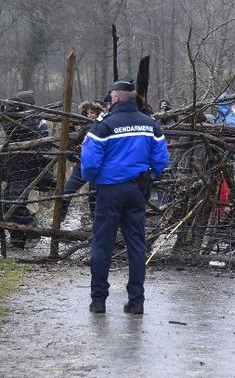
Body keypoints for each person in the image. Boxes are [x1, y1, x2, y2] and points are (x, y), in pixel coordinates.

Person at [81, 77, 169, 314]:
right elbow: (161, 159)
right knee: (137, 246)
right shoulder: (149, 123)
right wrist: (151, 176)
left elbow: (89, 163)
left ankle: (98, 301)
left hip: (109, 190)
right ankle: (137, 301)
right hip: (137, 191)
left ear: (116, 97)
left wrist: (97, 178)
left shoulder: (104, 125)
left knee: (102, 246)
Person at [0, 90, 53, 249]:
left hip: (28, 167)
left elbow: (11, 129)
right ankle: (17, 240)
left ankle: (33, 229)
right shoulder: (26, 119)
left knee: (15, 202)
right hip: (16, 168)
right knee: (7, 203)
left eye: (15, 106)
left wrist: (4, 111)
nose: (12, 109)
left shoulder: (33, 120)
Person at [59, 101, 105, 221]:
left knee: (94, 196)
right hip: (82, 165)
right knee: (67, 191)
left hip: (99, 167)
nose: (90, 115)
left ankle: (95, 224)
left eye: (93, 113)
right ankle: (60, 217)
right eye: (88, 113)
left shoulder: (104, 125)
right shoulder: (83, 127)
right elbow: (73, 144)